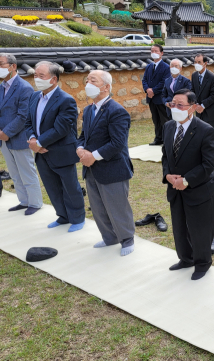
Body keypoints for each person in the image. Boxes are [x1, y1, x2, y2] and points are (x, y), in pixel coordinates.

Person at [77, 70, 135, 256]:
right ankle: (109, 237)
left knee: (116, 205)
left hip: (112, 167)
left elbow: (117, 143)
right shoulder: (88, 110)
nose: (88, 83)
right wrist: (79, 149)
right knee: (97, 205)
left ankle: (126, 238)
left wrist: (93, 155)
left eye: (93, 80)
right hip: (91, 167)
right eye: (87, 80)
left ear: (106, 87)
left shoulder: (117, 111)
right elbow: (83, 137)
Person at [162, 89, 214, 281]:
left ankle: (202, 263)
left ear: (192, 107)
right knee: (179, 226)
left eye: (180, 105)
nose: (175, 108)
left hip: (199, 188)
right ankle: (185, 258)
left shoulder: (205, 130)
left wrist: (185, 180)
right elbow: (165, 156)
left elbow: (208, 164)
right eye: (172, 104)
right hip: (175, 188)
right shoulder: (168, 127)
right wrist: (167, 175)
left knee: (200, 228)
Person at [24, 61, 85, 232]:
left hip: (61, 150)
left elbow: (61, 128)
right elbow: (29, 122)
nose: (37, 79)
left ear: (53, 79)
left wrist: (39, 143)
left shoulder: (66, 100)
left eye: (41, 76)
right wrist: (32, 139)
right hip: (41, 152)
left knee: (70, 186)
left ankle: (78, 218)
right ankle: (63, 216)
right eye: (35, 75)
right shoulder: (35, 96)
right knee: (51, 186)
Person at [0, 53, 42, 210]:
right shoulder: (1, 86)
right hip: (2, 137)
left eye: (1, 64)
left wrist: (6, 132)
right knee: (14, 173)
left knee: (27, 171)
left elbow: (23, 115)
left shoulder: (24, 88)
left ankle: (34, 203)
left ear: (12, 66)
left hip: (19, 137)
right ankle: (24, 201)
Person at [142, 44, 170, 146]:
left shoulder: (166, 67)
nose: (154, 53)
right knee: (155, 119)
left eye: (156, 51)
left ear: (161, 53)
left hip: (160, 97)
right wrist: (147, 89)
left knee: (164, 119)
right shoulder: (149, 66)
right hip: (151, 98)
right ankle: (158, 138)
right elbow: (144, 80)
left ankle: (167, 139)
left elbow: (164, 82)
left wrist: (153, 90)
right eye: (152, 51)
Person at [192, 53, 214, 134]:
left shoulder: (213, 77)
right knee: (200, 134)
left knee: (211, 134)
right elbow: (192, 91)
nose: (197, 64)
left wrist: (202, 106)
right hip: (198, 111)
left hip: (210, 111)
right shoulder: (194, 75)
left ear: (205, 63)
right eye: (195, 62)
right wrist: (196, 104)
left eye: (199, 62)